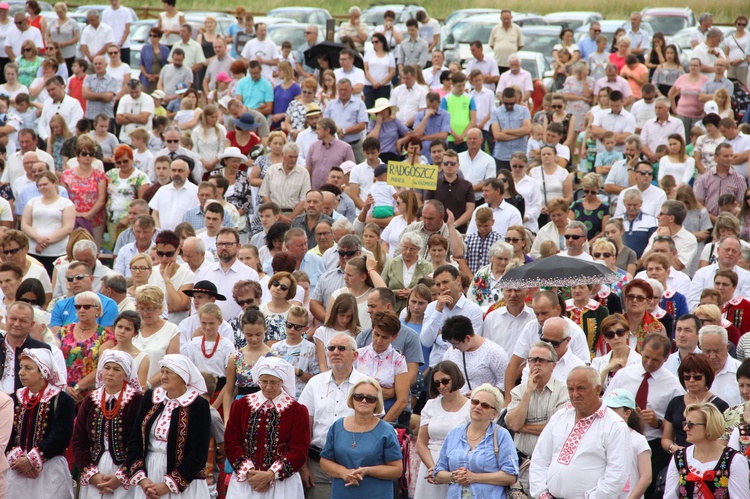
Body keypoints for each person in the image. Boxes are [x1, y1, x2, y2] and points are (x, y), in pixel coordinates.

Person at [605, 333, 685, 498]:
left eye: (655, 360)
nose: (649, 363)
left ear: (666, 358)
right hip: (619, 440)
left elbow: (677, 425)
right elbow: (606, 405)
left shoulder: (674, 386)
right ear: (640, 351)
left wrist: (658, 423)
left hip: (653, 445)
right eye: (646, 357)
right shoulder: (623, 375)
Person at [531, 366, 630, 497]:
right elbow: (540, 458)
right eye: (570, 389)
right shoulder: (559, 417)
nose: (575, 394)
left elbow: (617, 476)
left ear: (597, 390)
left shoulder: (615, 426)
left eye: (581, 388)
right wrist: (542, 494)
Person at [224, 356, 310, 498]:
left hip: (282, 485)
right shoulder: (241, 406)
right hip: (246, 481)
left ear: (282, 382)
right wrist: (250, 472)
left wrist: (271, 474)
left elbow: (299, 450)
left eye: (274, 382)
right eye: (264, 382)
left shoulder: (297, 410)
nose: (268, 387)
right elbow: (232, 442)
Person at [128, 354, 211, 498]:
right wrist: (142, 479)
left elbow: (199, 452)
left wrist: (169, 485)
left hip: (184, 478)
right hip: (149, 473)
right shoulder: (150, 398)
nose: (164, 376)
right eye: (162, 372)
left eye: (169, 372)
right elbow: (135, 439)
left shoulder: (198, 405)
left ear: (182, 377)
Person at [71, 350, 143, 499]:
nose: (110, 373)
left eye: (116, 369)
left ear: (126, 374)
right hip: (93, 469)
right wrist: (91, 474)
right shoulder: (91, 400)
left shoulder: (136, 401)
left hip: (124, 472)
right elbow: (79, 440)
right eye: (107, 368)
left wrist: (121, 475)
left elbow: (140, 442)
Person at [5, 348, 75, 498]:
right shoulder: (15, 398)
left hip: (49, 468)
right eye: (21, 366)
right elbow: (6, 431)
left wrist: (32, 459)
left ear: (43, 372)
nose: (21, 372)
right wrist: (18, 457)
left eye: (28, 368)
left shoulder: (62, 400)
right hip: (16, 467)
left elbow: (61, 436)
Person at [319, 376, 403, 498]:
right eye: (359, 396)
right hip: (342, 494)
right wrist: (344, 473)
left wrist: (368, 471)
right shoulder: (337, 426)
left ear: (377, 403)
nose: (364, 401)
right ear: (352, 399)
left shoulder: (386, 431)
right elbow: (325, 461)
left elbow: (396, 470)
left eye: (370, 398)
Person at [505, 342, 569, 493]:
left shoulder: (564, 391)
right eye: (533, 360)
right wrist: (528, 392)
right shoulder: (518, 391)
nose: (537, 364)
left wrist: (524, 427)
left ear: (553, 365)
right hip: (523, 465)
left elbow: (558, 428)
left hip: (551, 465)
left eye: (542, 360)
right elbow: (514, 425)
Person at [433, 383, 518, 496]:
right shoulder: (453, 434)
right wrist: (453, 477)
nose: (478, 407)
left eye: (485, 405)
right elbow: (438, 473)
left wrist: (474, 477)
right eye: (475, 402)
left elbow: (511, 476)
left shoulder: (501, 435)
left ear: (494, 414)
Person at [664, 403, 750, 498]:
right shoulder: (679, 457)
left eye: (690, 424)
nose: (685, 428)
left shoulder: (734, 460)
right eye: (685, 423)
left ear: (709, 426)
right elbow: (669, 496)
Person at [414, 360, 470, 499]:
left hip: (458, 465)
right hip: (430, 462)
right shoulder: (430, 405)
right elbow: (421, 442)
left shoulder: (471, 407)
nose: (441, 386)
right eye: (437, 383)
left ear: (455, 378)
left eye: (445, 381)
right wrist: (433, 468)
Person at [662, 353, 730, 456]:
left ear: (707, 377)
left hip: (708, 459)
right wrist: (674, 448)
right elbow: (666, 438)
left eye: (697, 377)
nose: (691, 381)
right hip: (678, 457)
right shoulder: (675, 403)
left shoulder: (720, 406)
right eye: (687, 377)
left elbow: (723, 440)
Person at [20, 171, 75, 275]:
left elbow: (68, 228)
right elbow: (25, 224)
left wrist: (46, 242)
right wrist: (38, 239)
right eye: (39, 185)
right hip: (34, 250)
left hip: (58, 251)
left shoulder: (66, 203)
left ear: (55, 183)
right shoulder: (32, 202)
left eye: (45, 184)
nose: (42, 187)